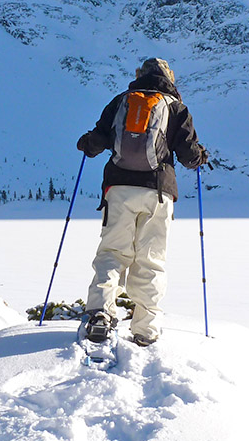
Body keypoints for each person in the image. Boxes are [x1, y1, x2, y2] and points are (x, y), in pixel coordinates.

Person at [76, 57, 209, 346]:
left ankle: (100, 312)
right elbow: (188, 157)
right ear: (169, 78)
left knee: (112, 252)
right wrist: (200, 155)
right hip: (158, 192)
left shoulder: (121, 101)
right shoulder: (175, 107)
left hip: (119, 188)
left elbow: (96, 142)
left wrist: (87, 143)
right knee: (150, 259)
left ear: (140, 75)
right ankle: (145, 329)